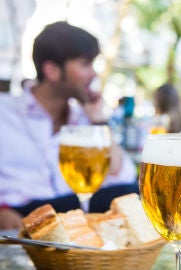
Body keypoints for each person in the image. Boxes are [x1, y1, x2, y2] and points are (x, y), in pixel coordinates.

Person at [0, 21, 138, 229]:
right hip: (23, 211)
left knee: (130, 192)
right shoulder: (5, 112)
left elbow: (122, 173)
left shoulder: (85, 118)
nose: (94, 74)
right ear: (52, 71)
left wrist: (97, 119)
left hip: (72, 209)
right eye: (85, 64)